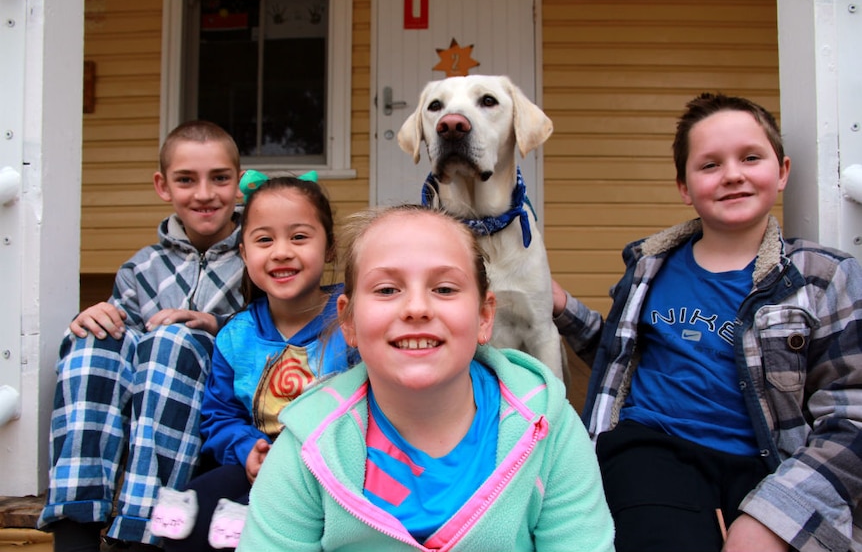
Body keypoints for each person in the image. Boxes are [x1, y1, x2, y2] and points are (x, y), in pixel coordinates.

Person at [552, 93, 862, 552]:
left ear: (782, 172)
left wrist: (776, 514)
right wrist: (561, 307)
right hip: (652, 448)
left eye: (750, 158)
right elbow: (618, 360)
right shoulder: (649, 268)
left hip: (772, 461)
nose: (732, 174)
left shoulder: (824, 276)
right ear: (684, 186)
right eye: (710, 165)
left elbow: (851, 415)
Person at [236, 204, 615, 552]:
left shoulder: (550, 429)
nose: (416, 308)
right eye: (387, 289)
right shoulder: (309, 445)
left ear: (484, 316)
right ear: (348, 321)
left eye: (444, 289)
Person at [39, 120, 246, 552]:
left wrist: (217, 327)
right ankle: (75, 522)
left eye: (220, 178)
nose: (205, 193)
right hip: (143, 416)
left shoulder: (257, 254)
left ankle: (143, 531)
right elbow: (123, 351)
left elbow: (275, 334)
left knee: (172, 339)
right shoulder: (141, 268)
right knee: (90, 343)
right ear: (163, 186)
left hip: (212, 421)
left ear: (238, 183)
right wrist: (96, 318)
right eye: (186, 180)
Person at [154, 172, 359, 551]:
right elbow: (219, 416)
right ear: (245, 253)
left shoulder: (352, 319)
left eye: (299, 237)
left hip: (337, 470)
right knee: (190, 512)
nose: (281, 251)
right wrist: (247, 446)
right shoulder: (236, 336)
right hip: (260, 467)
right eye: (264, 240)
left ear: (329, 248)